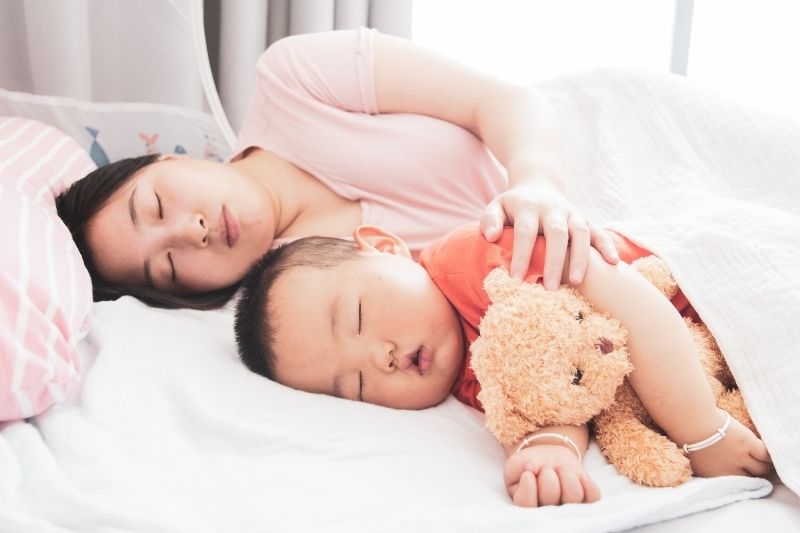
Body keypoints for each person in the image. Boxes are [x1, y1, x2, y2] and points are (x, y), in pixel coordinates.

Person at [55, 28, 619, 310]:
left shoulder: (292, 79)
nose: (189, 232)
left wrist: (539, 184)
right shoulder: (299, 300)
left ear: (168, 157)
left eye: (155, 205)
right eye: (170, 268)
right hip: (605, 280)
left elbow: (502, 101)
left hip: (602, 146)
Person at [233, 223, 773, 508]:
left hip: (700, 292)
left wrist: (700, 430)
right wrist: (549, 450)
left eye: (355, 317)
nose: (383, 357)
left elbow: (631, 303)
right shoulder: (469, 375)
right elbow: (553, 394)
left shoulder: (478, 258)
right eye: (356, 384)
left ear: (386, 248)